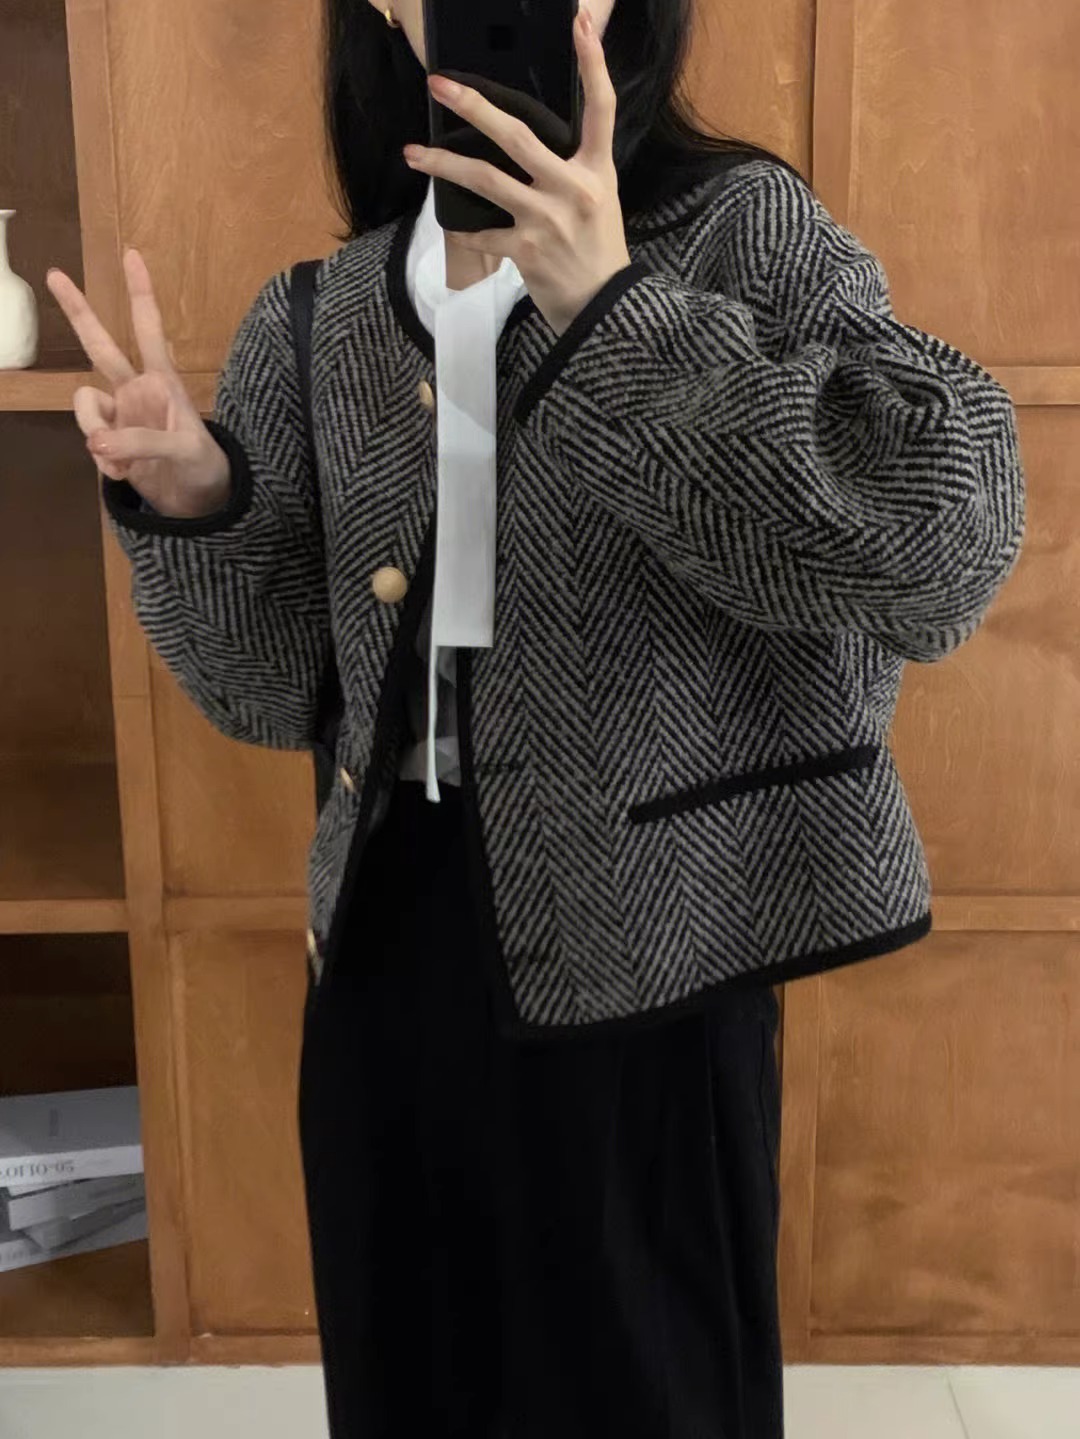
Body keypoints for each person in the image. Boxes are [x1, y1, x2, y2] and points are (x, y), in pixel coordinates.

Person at [46, 1, 1026, 1435]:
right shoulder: (321, 309)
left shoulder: (742, 233)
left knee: (646, 1390)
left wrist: (617, 311)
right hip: (385, 935)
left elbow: (939, 541)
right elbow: (267, 691)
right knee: (409, 1372)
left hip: (660, 944)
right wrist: (200, 502)